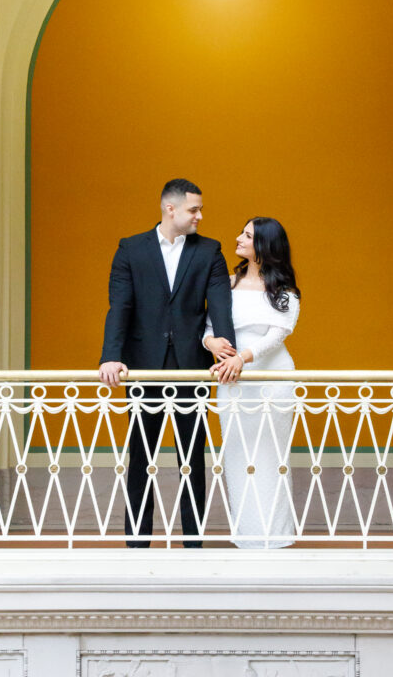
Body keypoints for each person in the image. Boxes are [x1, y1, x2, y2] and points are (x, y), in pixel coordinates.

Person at [98, 178, 236, 548]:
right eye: (194, 209)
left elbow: (220, 306)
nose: (200, 216)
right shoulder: (131, 249)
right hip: (143, 367)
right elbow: (120, 306)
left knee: (193, 458)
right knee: (140, 457)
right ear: (170, 208)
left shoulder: (210, 251)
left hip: (193, 367)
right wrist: (111, 356)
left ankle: (193, 542)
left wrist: (227, 353)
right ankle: (137, 542)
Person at [203, 217, 301, 548]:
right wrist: (212, 344)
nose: (238, 238)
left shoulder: (285, 291)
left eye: (247, 235)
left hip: (272, 378)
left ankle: (276, 536)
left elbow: (277, 334)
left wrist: (242, 358)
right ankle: (247, 535)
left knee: (271, 455)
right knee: (236, 452)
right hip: (232, 380)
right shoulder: (226, 284)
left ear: (264, 246)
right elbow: (208, 326)